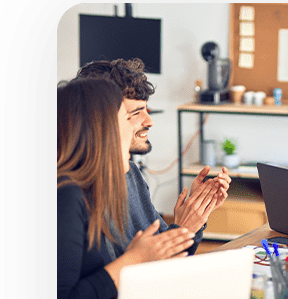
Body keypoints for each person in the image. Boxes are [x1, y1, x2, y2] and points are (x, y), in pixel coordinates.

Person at [58, 79, 197, 299]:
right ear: (101, 130)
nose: (140, 125)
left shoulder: (104, 185)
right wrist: (131, 262)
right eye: (127, 117)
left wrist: (187, 227)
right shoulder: (67, 195)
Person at [76, 58, 231, 255]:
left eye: (146, 110)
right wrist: (184, 228)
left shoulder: (131, 173)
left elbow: (166, 254)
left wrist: (193, 218)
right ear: (102, 119)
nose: (150, 121)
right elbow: (121, 278)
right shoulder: (82, 193)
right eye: (137, 112)